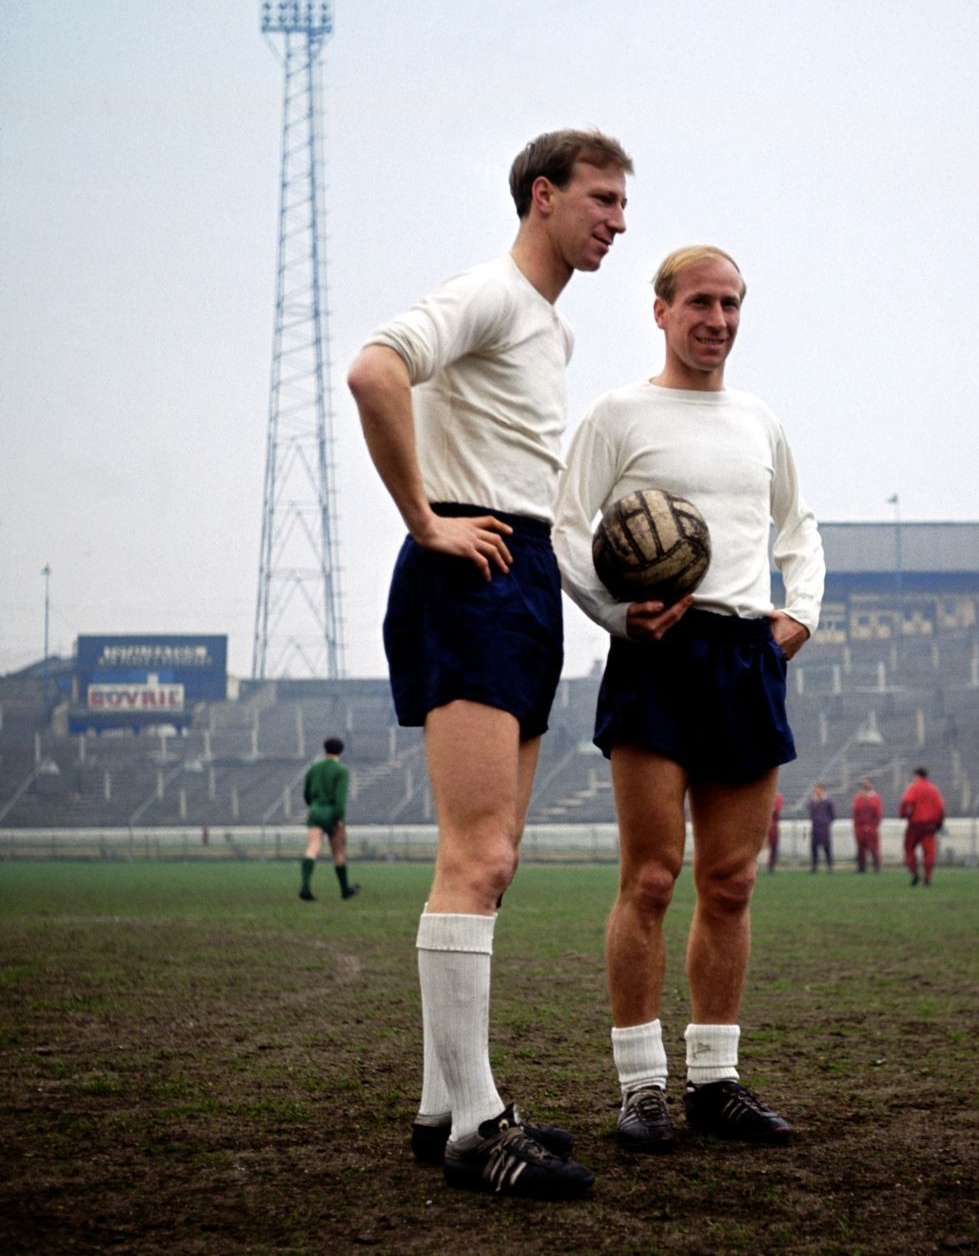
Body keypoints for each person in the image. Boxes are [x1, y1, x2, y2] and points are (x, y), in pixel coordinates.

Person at [347, 128, 632, 1199]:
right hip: (466, 570)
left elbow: (545, 510)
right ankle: (477, 1125)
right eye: (600, 199)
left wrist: (609, 611)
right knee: (479, 855)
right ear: (542, 195)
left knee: (490, 856)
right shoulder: (488, 293)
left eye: (622, 207)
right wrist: (424, 520)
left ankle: (440, 1105)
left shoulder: (544, 330)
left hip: (518, 579)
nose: (612, 220)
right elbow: (373, 372)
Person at [553, 244, 825, 1153]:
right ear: (661, 309)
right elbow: (563, 527)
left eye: (733, 304)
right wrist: (615, 619)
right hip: (660, 652)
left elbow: (800, 529)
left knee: (732, 882)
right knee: (652, 876)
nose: (718, 319)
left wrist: (804, 614)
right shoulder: (619, 414)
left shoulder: (761, 422)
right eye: (701, 302)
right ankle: (640, 1087)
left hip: (747, 654)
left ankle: (715, 1081)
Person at [299, 736, 359, 901]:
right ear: (341, 751)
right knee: (338, 852)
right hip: (332, 812)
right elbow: (340, 799)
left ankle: (305, 887)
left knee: (312, 848)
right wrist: (339, 818)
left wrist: (314, 807)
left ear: (324, 749)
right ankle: (345, 889)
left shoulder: (313, 768)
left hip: (315, 810)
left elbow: (306, 794)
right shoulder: (341, 771)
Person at [899, 766, 946, 886]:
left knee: (909, 850)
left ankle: (915, 873)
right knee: (929, 853)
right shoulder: (934, 789)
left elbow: (906, 801)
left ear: (916, 776)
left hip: (915, 825)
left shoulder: (914, 787)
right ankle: (928, 878)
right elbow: (941, 808)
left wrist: (903, 814)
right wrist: (939, 824)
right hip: (930, 826)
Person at [852, 777, 883, 873]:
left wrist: (872, 825)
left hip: (871, 827)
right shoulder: (858, 798)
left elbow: (878, 814)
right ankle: (861, 867)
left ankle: (876, 866)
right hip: (860, 827)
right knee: (860, 848)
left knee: (873, 847)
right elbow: (855, 812)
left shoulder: (875, 798)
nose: (865, 786)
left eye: (867, 783)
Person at [807, 782, 835, 872]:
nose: (816, 791)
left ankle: (829, 865)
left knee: (826, 847)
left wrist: (826, 822)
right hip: (815, 826)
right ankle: (814, 866)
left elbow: (832, 815)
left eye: (818, 789)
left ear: (822, 790)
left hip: (824, 827)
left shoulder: (828, 801)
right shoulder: (812, 801)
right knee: (814, 847)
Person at [765, 790, 783, 873]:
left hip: (772, 827)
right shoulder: (765, 795)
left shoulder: (778, 797)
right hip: (765, 826)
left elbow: (777, 812)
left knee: (773, 846)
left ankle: (771, 865)